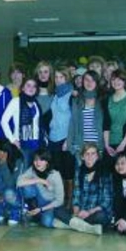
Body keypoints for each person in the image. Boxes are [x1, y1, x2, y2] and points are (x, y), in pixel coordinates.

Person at [52, 144, 111, 235]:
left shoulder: (104, 172)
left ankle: (71, 224)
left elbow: (106, 202)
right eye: (87, 154)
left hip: (94, 213)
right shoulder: (79, 171)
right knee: (57, 210)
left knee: (101, 216)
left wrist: (88, 212)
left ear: (97, 156)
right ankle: (87, 228)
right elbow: (76, 194)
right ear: (82, 157)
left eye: (93, 154)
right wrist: (76, 212)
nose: (90, 157)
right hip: (80, 213)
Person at [48, 67, 75, 207]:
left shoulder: (72, 95)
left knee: (68, 172)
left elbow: (74, 119)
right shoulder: (55, 95)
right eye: (56, 77)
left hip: (66, 138)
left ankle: (69, 203)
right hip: (53, 138)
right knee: (57, 171)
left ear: (67, 78)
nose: (58, 80)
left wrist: (68, 139)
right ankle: (59, 201)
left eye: (61, 77)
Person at [17, 149, 64, 229]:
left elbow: (60, 200)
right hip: (38, 200)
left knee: (47, 223)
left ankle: (37, 214)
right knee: (26, 187)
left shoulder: (55, 174)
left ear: (47, 162)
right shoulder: (32, 170)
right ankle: (30, 209)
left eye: (41, 160)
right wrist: (40, 180)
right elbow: (18, 183)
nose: (38, 163)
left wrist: (41, 209)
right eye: (36, 160)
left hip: (50, 203)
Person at [103, 69, 126, 167]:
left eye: (120, 79)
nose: (116, 82)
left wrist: (122, 145)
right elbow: (106, 124)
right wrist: (106, 145)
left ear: (125, 81)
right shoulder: (107, 99)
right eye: (114, 79)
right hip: (110, 144)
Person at [1, 78, 42, 164]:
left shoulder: (36, 103)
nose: (31, 88)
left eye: (34, 86)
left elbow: (37, 124)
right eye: (28, 85)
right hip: (22, 144)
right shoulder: (16, 101)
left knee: (33, 172)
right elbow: (3, 121)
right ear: (22, 88)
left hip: (36, 144)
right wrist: (12, 139)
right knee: (23, 172)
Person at [66, 70, 105, 159]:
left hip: (98, 146)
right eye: (86, 80)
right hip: (80, 146)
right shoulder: (76, 100)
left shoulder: (102, 100)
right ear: (82, 81)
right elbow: (72, 123)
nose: (89, 83)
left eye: (93, 80)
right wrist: (69, 144)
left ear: (97, 82)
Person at [34, 61, 54, 136]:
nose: (43, 75)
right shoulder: (31, 92)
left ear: (50, 74)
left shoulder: (55, 93)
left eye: (46, 72)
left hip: (52, 136)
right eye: (40, 72)